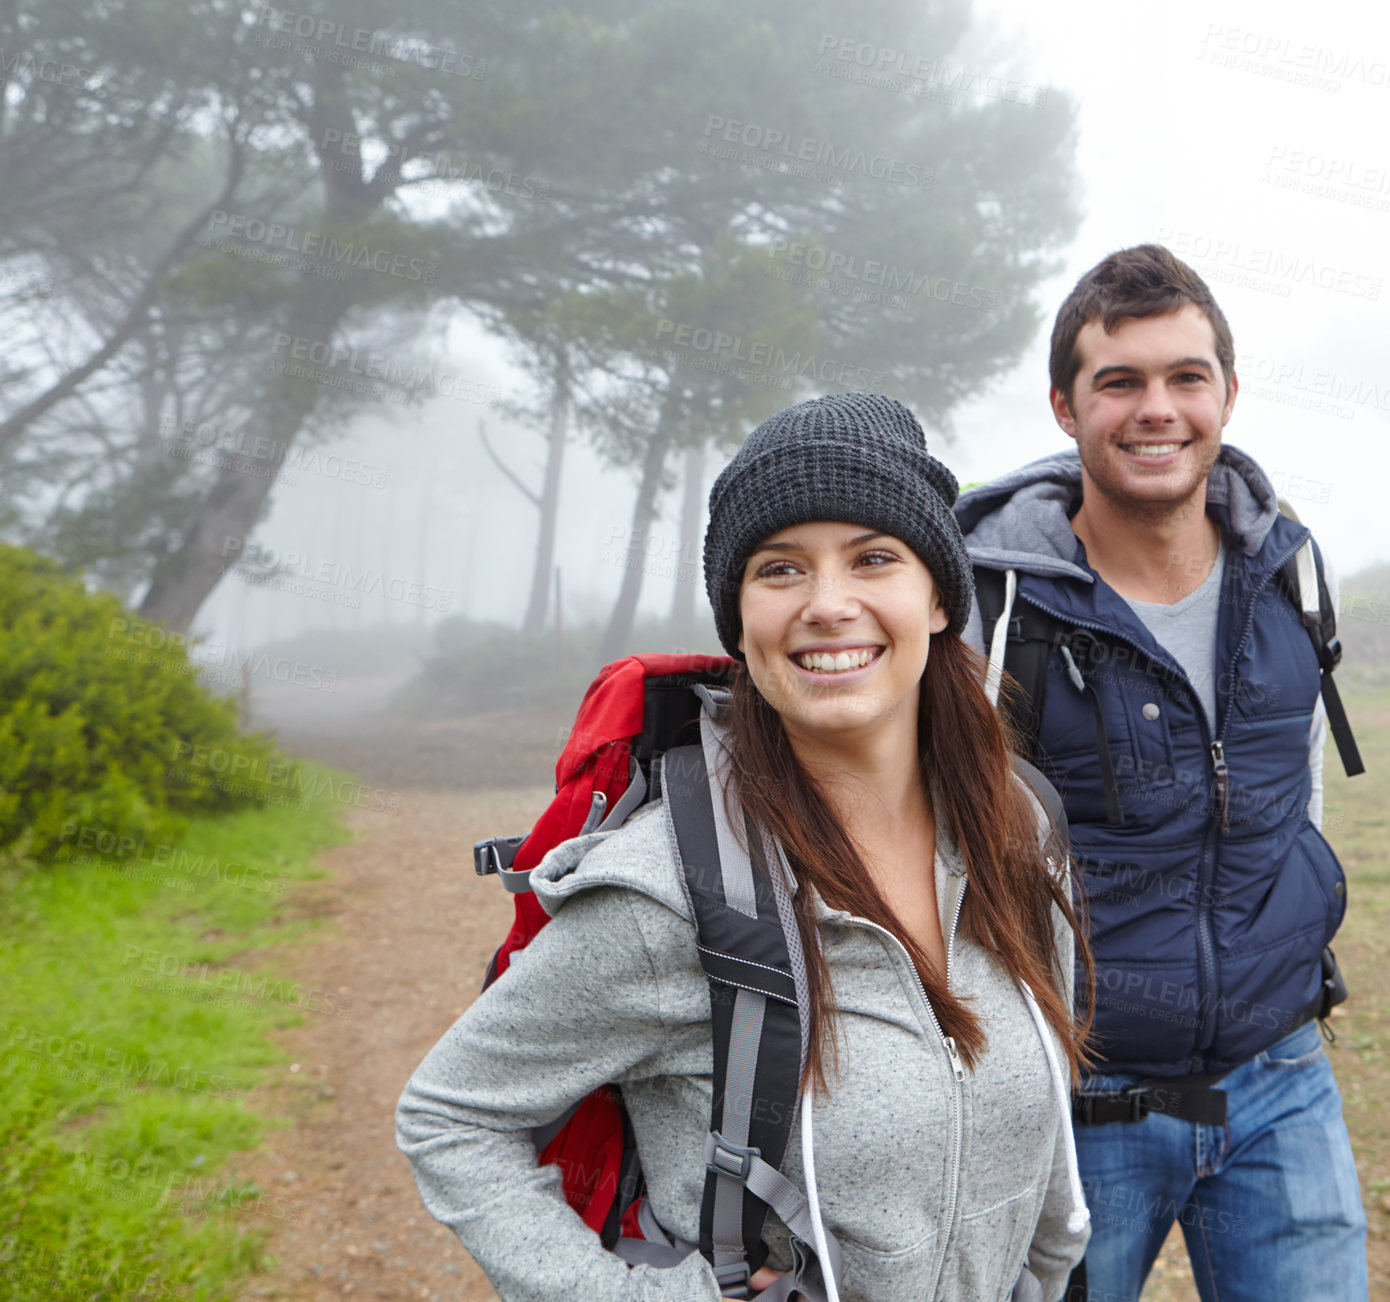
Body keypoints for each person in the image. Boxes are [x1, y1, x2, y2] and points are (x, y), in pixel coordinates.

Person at [397, 393, 1092, 1301]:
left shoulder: (1019, 832)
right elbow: (451, 1116)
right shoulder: (669, 894)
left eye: (874, 558)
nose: (827, 605)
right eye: (780, 570)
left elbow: (1046, 1149)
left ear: (936, 599)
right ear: (740, 622)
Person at [956, 244, 1367, 1301]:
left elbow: (1294, 794)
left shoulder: (1290, 571)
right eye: (1119, 382)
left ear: (1227, 392)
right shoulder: (993, 609)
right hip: (1074, 1104)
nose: (1158, 409)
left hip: (1279, 1081)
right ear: (1063, 406)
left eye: (1186, 377)